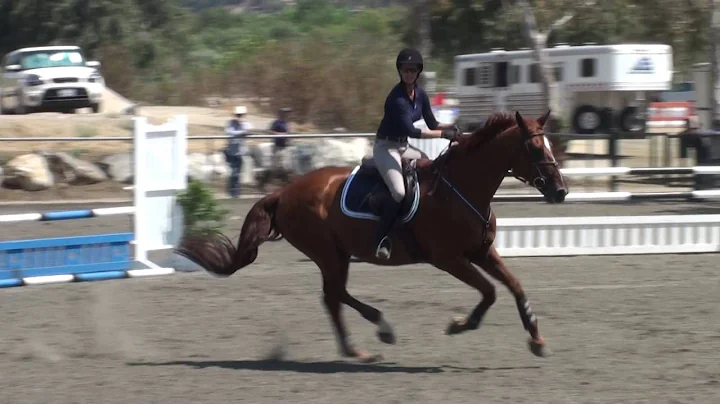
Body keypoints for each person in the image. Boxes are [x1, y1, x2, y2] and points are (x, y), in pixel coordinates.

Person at [373, 48, 459, 260]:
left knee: (431, 170)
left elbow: (432, 123)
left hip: (404, 146)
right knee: (399, 193)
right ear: (400, 71)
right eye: (405, 70)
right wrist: (444, 135)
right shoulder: (397, 99)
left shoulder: (420, 94)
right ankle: (381, 238)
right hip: (386, 148)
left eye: (412, 70)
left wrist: (452, 127)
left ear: (418, 72)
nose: (409, 73)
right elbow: (412, 131)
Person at [224, 106, 252, 198]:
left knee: (237, 173)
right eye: (238, 115)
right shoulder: (230, 123)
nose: (239, 117)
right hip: (231, 151)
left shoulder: (246, 124)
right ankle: (233, 191)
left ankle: (235, 191)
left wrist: (243, 128)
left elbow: (249, 131)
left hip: (240, 152)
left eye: (241, 115)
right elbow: (230, 132)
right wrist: (242, 132)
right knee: (233, 172)